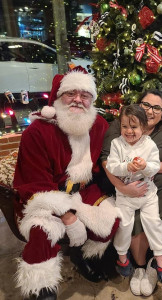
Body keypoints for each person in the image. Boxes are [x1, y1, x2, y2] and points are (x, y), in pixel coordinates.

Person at [13, 68, 120, 300]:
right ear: (59, 97)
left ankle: (85, 256)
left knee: (113, 215)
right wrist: (68, 216)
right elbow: (35, 183)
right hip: (47, 193)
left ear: (92, 99)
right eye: (71, 93)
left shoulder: (99, 124)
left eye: (85, 95)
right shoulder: (38, 131)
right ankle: (42, 288)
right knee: (43, 230)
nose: (78, 100)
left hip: (85, 189)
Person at [101, 89, 162, 296]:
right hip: (126, 188)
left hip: (161, 187)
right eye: (146, 105)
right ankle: (137, 268)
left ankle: (155, 264)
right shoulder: (119, 129)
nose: (150, 110)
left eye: (157, 107)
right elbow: (107, 161)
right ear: (138, 105)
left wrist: (147, 167)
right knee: (130, 220)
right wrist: (123, 186)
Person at [106, 104, 162, 293]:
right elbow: (111, 166)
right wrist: (126, 167)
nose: (129, 131)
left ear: (143, 127)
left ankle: (160, 260)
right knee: (124, 224)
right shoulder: (117, 144)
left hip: (148, 194)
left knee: (153, 221)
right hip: (125, 196)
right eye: (125, 126)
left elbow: (155, 167)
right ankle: (122, 258)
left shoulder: (149, 144)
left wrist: (144, 166)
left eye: (134, 127)